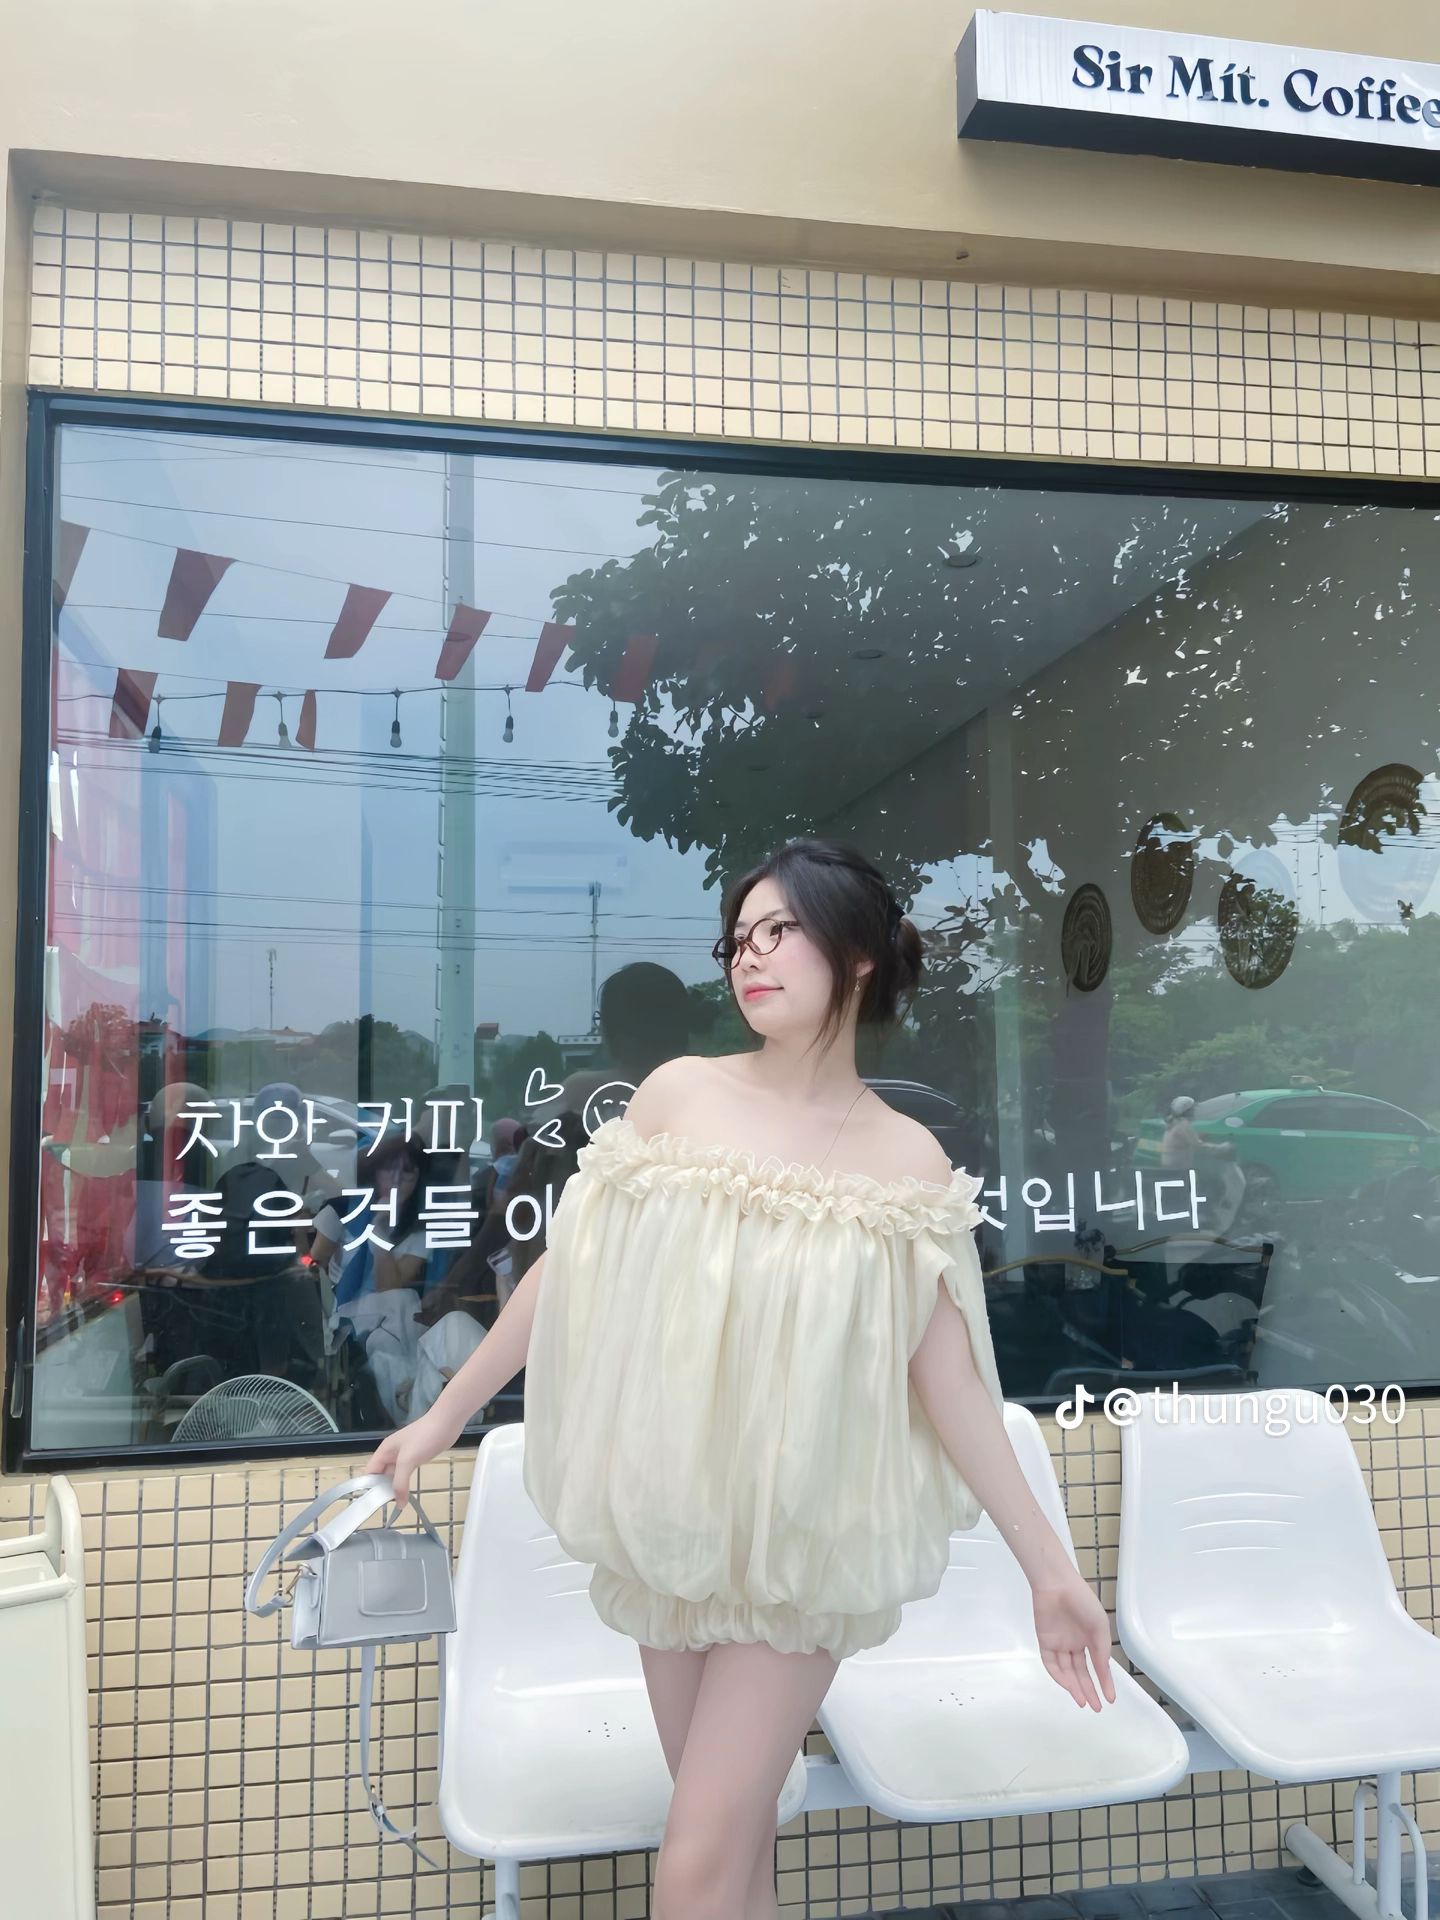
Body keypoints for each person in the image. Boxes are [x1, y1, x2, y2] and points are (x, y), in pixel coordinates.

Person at [368, 838, 1113, 1920]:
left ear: (859, 956)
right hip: (672, 1526)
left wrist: (1050, 1571)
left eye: (780, 931)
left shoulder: (907, 1159)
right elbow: (567, 1274)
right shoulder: (679, 1094)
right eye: (739, 938)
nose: (748, 957)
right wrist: (441, 1417)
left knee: (694, 1868)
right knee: (732, 1849)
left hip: (801, 1547)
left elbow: (949, 1381)